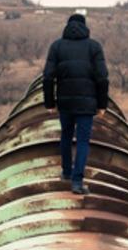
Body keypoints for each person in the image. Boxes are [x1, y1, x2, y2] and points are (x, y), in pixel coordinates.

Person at [43, 12, 108, 195]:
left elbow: (48, 77)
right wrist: (102, 105)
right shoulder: (94, 47)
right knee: (82, 141)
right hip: (87, 103)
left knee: (66, 136)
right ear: (85, 27)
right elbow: (102, 78)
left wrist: (49, 102)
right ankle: (77, 182)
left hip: (65, 101)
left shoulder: (57, 46)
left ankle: (66, 172)